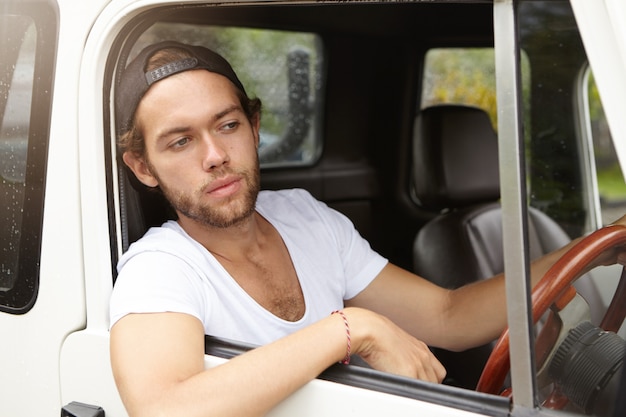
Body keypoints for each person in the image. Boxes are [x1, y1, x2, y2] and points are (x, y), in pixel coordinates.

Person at [109, 41, 626, 417]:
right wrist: (350, 327)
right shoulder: (160, 268)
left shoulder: (304, 217)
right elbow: (162, 409)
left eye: (227, 125)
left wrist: (599, 247)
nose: (216, 156)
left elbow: (449, 315)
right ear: (143, 168)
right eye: (180, 142)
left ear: (255, 126)